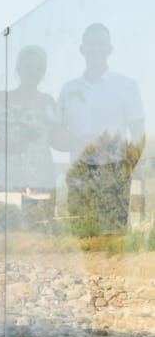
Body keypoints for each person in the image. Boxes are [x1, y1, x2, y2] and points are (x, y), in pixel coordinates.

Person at [56, 23, 145, 237]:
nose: (95, 49)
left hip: (114, 172)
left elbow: (138, 134)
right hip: (78, 173)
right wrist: (76, 141)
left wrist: (126, 170)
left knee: (113, 236)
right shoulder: (69, 90)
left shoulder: (126, 86)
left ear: (109, 49)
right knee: (81, 235)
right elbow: (56, 135)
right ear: (82, 49)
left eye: (101, 44)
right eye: (91, 44)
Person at [0, 45, 59, 231]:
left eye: (38, 68)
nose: (33, 72)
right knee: (10, 228)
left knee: (39, 229)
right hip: (7, 175)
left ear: (43, 72)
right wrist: (12, 146)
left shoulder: (48, 102)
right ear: (19, 68)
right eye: (29, 66)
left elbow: (56, 138)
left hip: (41, 175)